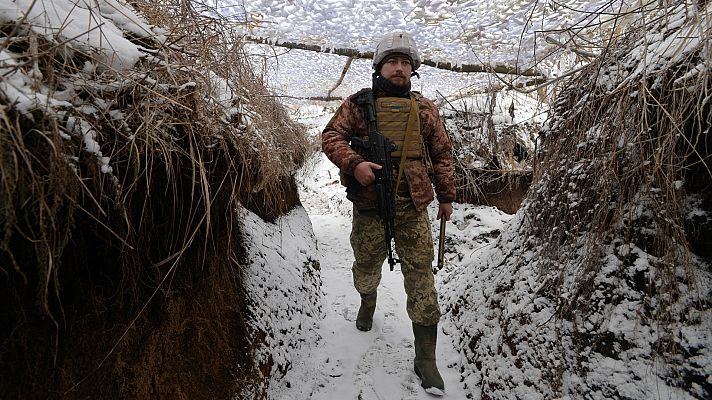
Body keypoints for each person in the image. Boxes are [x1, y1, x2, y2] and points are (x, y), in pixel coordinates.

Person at [321, 31, 456, 395]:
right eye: (393, 62)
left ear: (412, 71)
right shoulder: (358, 104)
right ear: (380, 67)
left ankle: (425, 358)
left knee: (421, 280)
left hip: (413, 205)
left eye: (405, 63)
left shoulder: (425, 109)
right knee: (366, 266)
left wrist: (446, 196)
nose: (399, 68)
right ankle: (368, 300)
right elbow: (330, 136)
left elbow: (442, 154)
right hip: (369, 204)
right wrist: (355, 164)